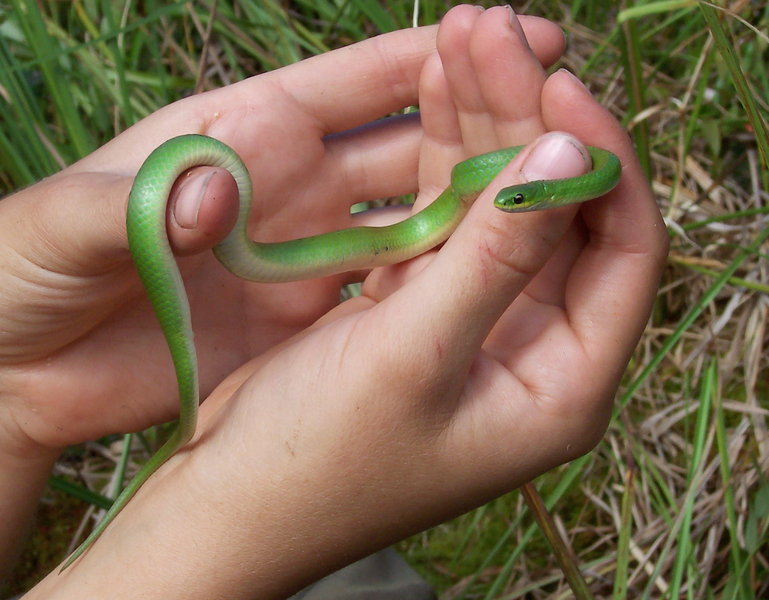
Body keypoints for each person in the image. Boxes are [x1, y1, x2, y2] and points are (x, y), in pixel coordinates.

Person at [0, 5, 667, 599]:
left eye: (518, 198)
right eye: (514, 195)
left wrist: (14, 395)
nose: (509, 204)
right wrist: (216, 518)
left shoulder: (532, 182)